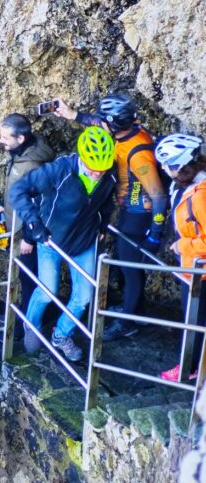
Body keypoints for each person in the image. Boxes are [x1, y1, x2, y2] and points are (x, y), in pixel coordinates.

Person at [54, 94, 168, 341]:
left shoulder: (138, 153)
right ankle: (134, 311)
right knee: (128, 266)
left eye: (105, 121)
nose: (101, 123)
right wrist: (72, 114)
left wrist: (155, 234)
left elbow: (159, 196)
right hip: (129, 211)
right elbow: (99, 122)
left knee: (130, 269)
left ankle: (127, 323)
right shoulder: (128, 129)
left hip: (139, 215)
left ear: (114, 124)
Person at [10, 126, 117, 361]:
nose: (97, 173)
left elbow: (106, 202)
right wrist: (34, 225)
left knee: (84, 297)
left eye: (103, 168)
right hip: (50, 240)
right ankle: (31, 324)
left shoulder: (109, 173)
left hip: (83, 240)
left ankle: (61, 335)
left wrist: (102, 227)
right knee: (47, 292)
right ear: (82, 157)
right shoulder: (61, 170)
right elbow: (19, 190)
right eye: (93, 167)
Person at [0, 114, 56, 339]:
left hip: (29, 233)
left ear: (20, 138)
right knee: (24, 277)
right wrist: (5, 206)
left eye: (5, 137)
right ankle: (26, 313)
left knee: (29, 279)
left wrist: (29, 238)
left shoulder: (33, 165)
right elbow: (20, 191)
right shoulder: (20, 153)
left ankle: (24, 326)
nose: (1, 140)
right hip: (17, 224)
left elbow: (41, 203)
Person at [153, 134, 206, 381]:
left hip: (199, 272)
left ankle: (190, 368)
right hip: (193, 269)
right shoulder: (188, 185)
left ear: (183, 166)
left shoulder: (201, 196)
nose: (164, 170)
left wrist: (182, 245)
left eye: (169, 165)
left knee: (194, 322)